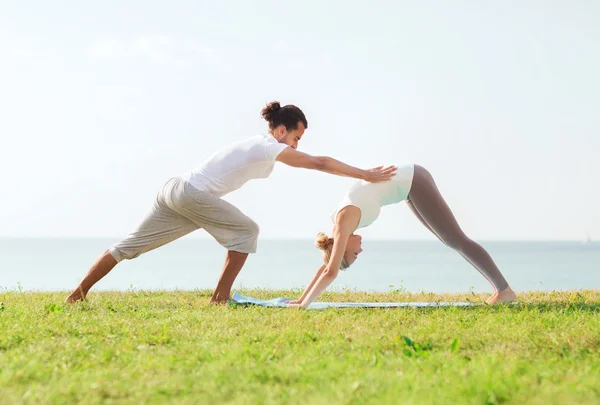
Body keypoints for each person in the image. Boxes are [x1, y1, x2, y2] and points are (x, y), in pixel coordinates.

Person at [65, 101, 397, 304]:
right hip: (191, 195)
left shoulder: (259, 144)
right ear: (280, 130)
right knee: (247, 231)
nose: (296, 146)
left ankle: (77, 294)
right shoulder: (268, 146)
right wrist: (365, 174)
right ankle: (219, 299)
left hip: (176, 190)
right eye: (296, 138)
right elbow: (319, 163)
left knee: (127, 247)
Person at [285, 163, 516, 308]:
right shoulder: (341, 227)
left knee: (456, 239)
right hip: (409, 186)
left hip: (413, 181)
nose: (361, 250)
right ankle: (501, 289)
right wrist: (299, 299)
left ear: (343, 247)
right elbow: (325, 265)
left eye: (355, 253)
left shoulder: (343, 225)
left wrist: (304, 305)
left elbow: (330, 270)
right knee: (451, 240)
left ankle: (503, 290)